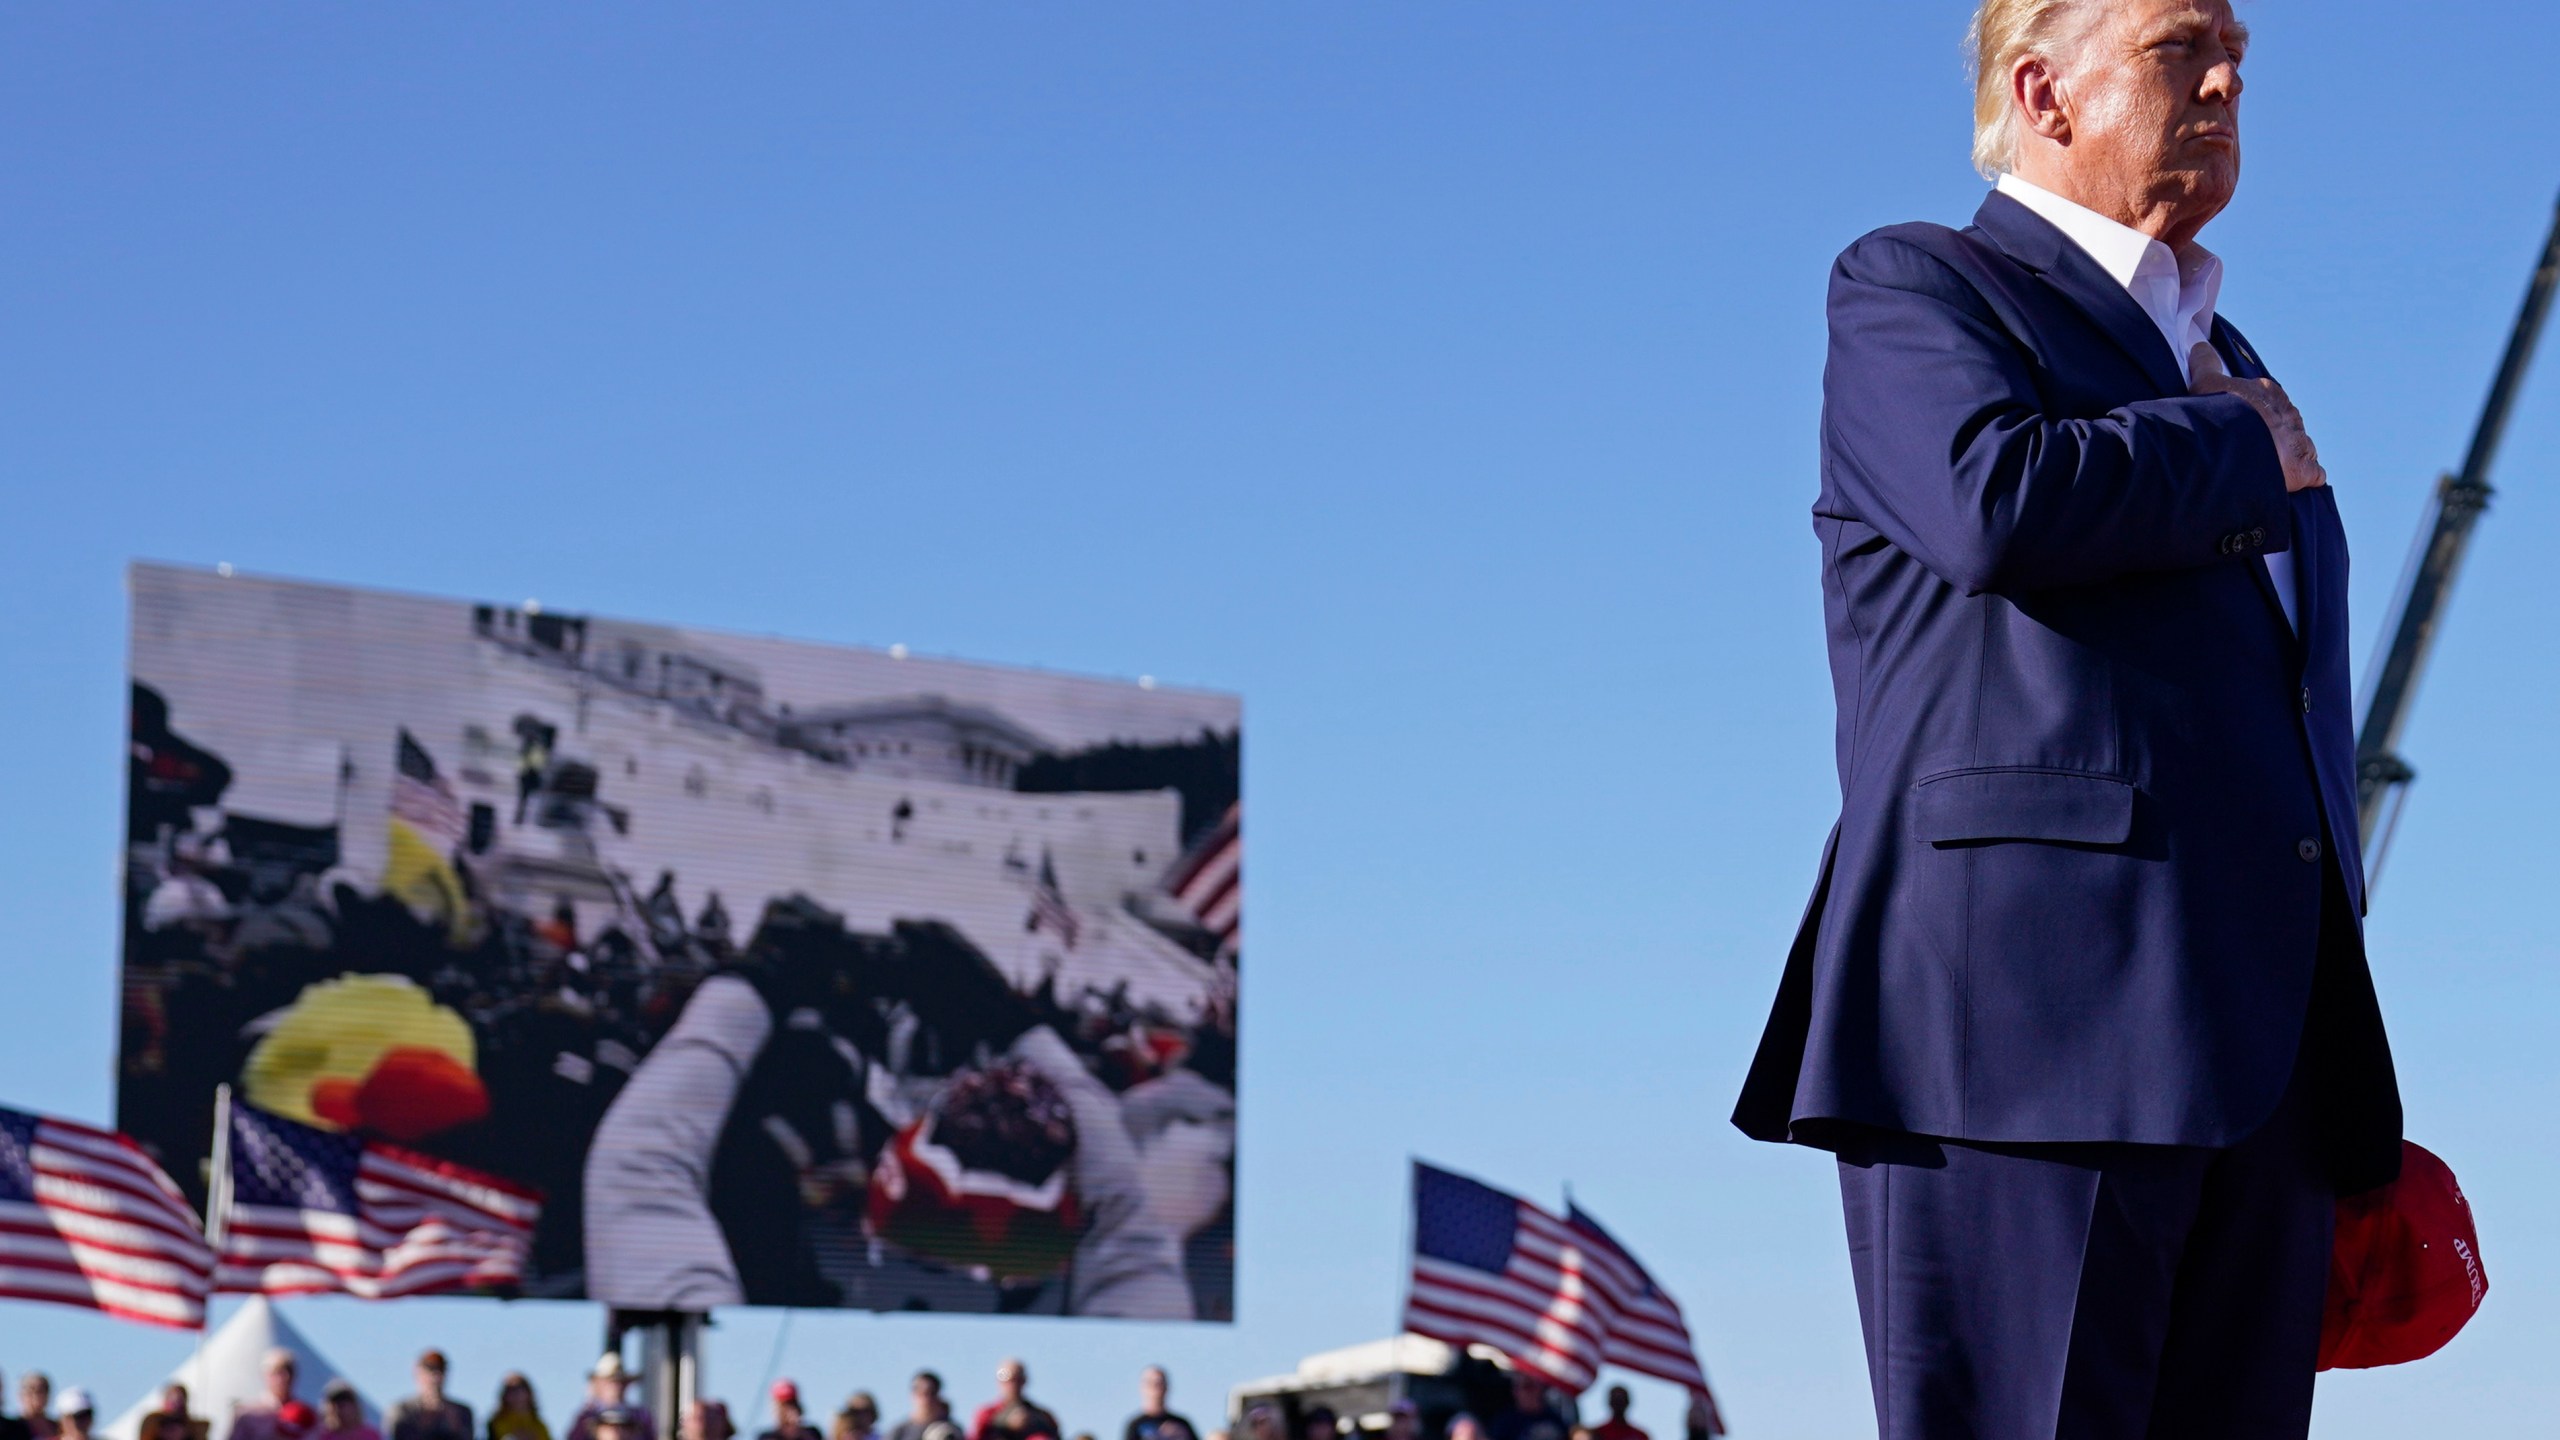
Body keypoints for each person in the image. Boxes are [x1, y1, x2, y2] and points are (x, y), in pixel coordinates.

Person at [1726, 1, 2404, 1436]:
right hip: (2025, 1036)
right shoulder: (1921, 286)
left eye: (2236, 54)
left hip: (2264, 1061)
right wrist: (2231, 442)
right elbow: (1993, 502)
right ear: (2043, 90)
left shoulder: (2236, 357)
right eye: (2178, 47)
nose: (2226, 78)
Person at [388, 1350, 475, 1440]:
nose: (436, 1377)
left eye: (441, 1370)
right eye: (431, 1370)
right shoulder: (403, 1411)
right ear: (418, 1372)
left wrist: (455, 1427)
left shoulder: (461, 1412)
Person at [566, 1358, 654, 1440]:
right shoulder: (587, 1416)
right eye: (611, 1381)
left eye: (620, 1382)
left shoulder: (641, 1415)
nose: (616, 1386)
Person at [965, 1365, 1055, 1440]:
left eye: (1016, 1379)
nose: (1012, 1385)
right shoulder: (986, 1414)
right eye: (1005, 1378)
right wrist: (1005, 1425)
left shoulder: (1042, 1416)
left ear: (1024, 1381)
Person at [231, 1352, 305, 1440]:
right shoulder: (247, 1414)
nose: (286, 1376)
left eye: (289, 1370)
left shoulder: (307, 1417)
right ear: (266, 1375)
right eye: (279, 1371)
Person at [1119, 1368, 1190, 1440]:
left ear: (1166, 1387)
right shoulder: (1136, 1425)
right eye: (1151, 1383)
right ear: (1142, 1387)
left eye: (1160, 1383)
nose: (1156, 1388)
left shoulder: (1181, 1425)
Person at [1483, 1376, 1562, 1440]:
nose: (1532, 1391)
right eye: (1527, 1386)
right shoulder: (1505, 1423)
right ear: (1515, 1391)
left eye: (1536, 1386)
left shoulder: (1555, 1419)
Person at [886, 1375, 945, 1440]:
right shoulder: (898, 1432)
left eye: (931, 1393)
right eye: (921, 1393)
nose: (926, 1399)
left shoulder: (951, 1431)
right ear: (912, 1395)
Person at [17, 1375, 51, 1440]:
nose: (36, 1396)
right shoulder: (11, 1429)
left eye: (41, 1391)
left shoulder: (59, 1427)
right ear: (21, 1395)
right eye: (31, 1391)